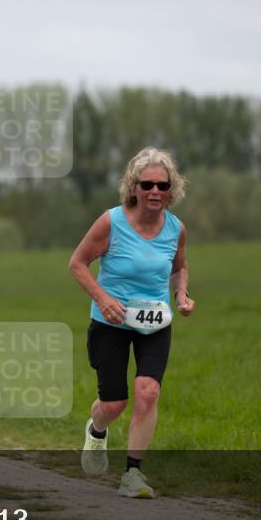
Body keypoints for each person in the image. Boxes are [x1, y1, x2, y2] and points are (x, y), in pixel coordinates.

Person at [68, 147, 196, 498]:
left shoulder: (176, 228)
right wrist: (103, 298)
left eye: (163, 185)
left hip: (155, 322)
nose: (155, 191)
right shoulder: (111, 221)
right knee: (114, 404)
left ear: (172, 189)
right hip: (110, 322)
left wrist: (182, 294)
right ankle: (96, 430)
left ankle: (133, 474)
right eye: (148, 184)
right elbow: (77, 264)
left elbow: (179, 265)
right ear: (134, 187)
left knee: (148, 391)